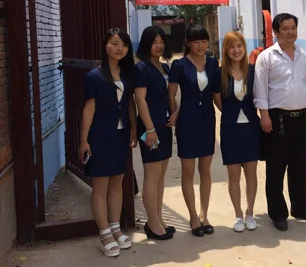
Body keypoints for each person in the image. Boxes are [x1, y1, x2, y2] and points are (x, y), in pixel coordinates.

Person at [254, 13, 306, 231]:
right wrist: (264, 115)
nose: (291, 32)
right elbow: (260, 88)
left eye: (293, 28)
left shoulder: (303, 55)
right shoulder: (267, 57)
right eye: (285, 28)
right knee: (276, 168)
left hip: (300, 118)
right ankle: (278, 213)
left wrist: (302, 102)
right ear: (276, 32)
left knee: (300, 166)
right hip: (276, 119)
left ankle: (300, 207)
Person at [79, 28, 137, 257]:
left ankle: (115, 227)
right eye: (114, 43)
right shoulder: (94, 76)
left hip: (121, 135)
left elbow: (130, 104)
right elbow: (89, 108)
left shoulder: (127, 74)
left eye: (123, 44)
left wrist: (133, 129)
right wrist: (84, 140)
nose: (119, 48)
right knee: (100, 185)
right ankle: (104, 233)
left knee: (117, 182)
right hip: (100, 136)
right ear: (105, 46)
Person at [168, 25, 219, 237]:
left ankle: (204, 215)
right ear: (188, 43)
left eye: (204, 41)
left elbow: (216, 93)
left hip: (207, 120)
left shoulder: (213, 63)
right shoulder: (179, 65)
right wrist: (175, 112)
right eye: (196, 42)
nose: (201, 46)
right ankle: (192, 217)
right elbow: (171, 94)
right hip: (187, 122)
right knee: (188, 171)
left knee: (205, 170)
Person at [214, 31, 261, 232]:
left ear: (244, 47)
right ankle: (238, 215)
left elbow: (260, 96)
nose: (236, 50)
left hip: (251, 128)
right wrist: (232, 114)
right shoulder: (220, 73)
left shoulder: (253, 71)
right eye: (232, 47)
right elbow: (218, 100)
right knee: (233, 176)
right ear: (226, 50)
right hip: (230, 129)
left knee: (251, 174)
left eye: (239, 46)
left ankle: (250, 213)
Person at [134, 26, 175, 240]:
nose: (158, 46)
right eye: (154, 42)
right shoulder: (142, 68)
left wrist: (175, 112)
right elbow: (140, 100)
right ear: (146, 44)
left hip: (164, 126)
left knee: (161, 174)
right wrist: (149, 129)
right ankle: (152, 223)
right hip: (150, 129)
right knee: (151, 175)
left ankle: (158, 218)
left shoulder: (164, 67)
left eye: (161, 41)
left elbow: (169, 97)